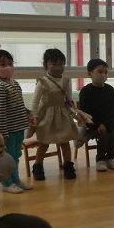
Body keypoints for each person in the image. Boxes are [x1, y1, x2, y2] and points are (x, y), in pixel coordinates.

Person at [30, 48, 82, 182]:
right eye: (53, 63)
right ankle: (37, 166)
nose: (58, 66)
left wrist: (75, 113)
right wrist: (33, 116)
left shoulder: (66, 80)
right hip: (46, 115)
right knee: (44, 143)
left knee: (65, 141)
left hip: (62, 114)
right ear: (45, 65)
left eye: (61, 63)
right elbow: (35, 101)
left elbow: (69, 100)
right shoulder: (43, 81)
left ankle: (68, 166)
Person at [0, 49, 32, 194]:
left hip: (18, 127)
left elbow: (18, 104)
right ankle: (7, 183)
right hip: (8, 131)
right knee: (7, 157)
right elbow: (1, 112)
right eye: (3, 64)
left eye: (10, 63)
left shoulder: (14, 83)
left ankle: (16, 179)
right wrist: (3, 134)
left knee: (16, 156)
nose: (8, 67)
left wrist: (28, 113)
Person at [78, 58, 114, 172]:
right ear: (90, 73)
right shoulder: (85, 91)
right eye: (100, 71)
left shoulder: (110, 90)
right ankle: (100, 159)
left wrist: (107, 124)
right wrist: (97, 125)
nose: (103, 75)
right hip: (92, 124)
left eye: (105, 72)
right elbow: (85, 111)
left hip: (109, 124)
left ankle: (110, 158)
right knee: (103, 135)